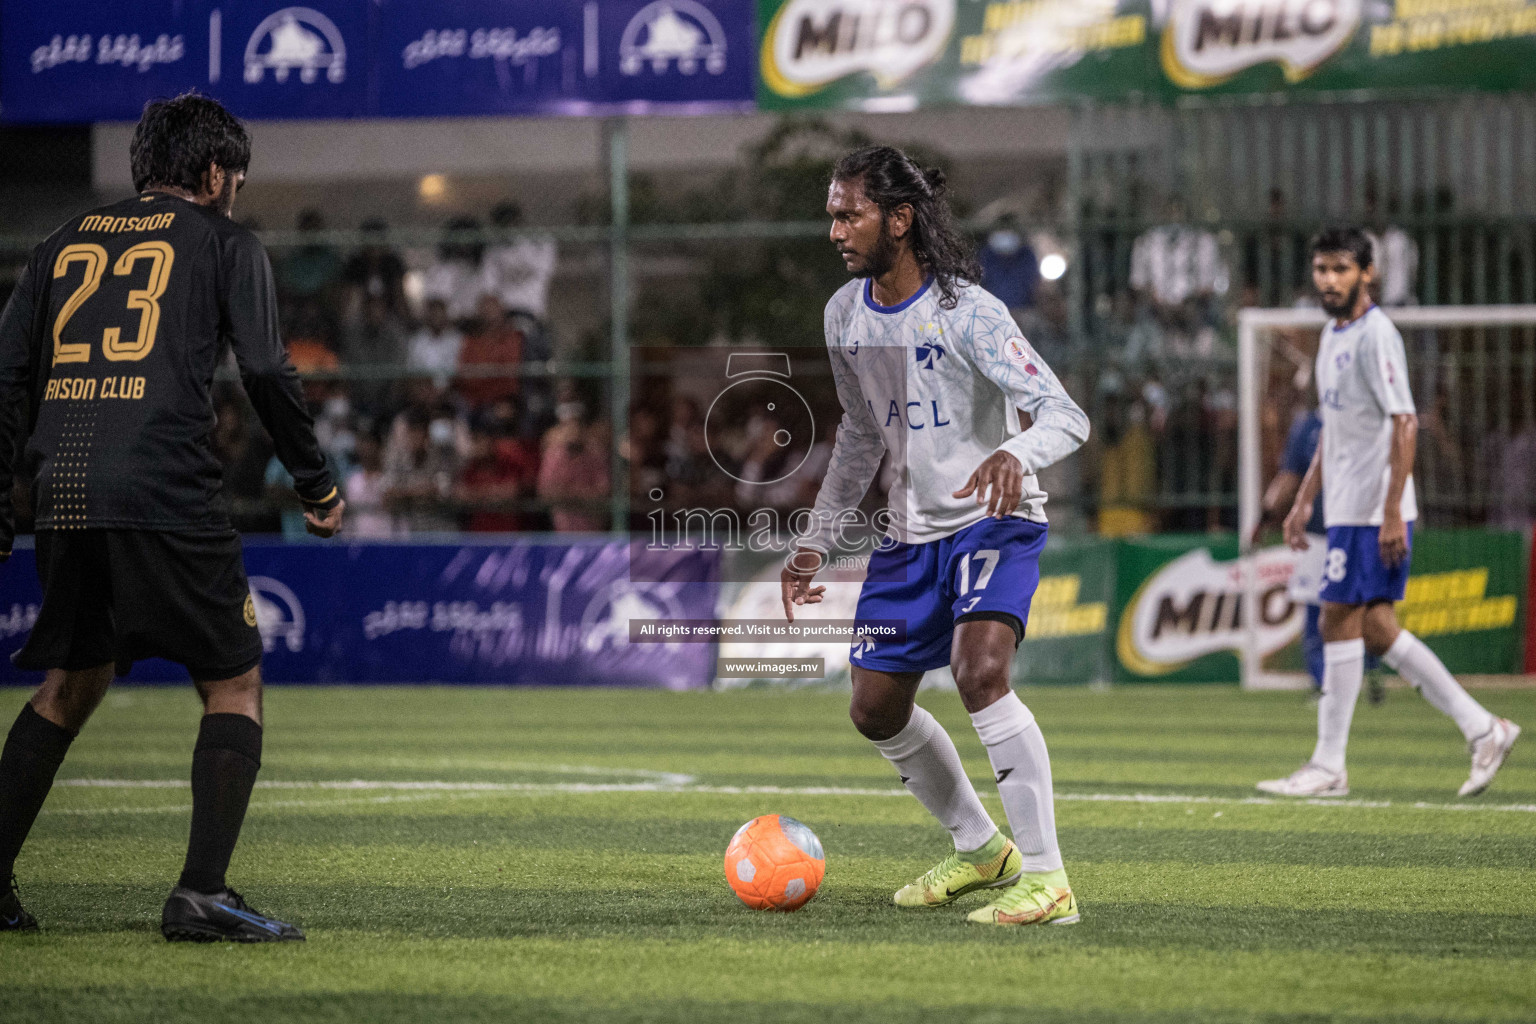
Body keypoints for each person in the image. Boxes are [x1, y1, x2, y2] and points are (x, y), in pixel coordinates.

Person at [0, 93, 344, 941]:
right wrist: (316, 484)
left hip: (64, 493)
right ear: (216, 173)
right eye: (237, 178)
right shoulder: (225, 242)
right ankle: (202, 892)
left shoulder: (57, 245)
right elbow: (265, 369)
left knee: (69, 686)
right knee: (233, 682)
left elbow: (7, 378)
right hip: (164, 486)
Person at [782, 147, 1089, 927]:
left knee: (980, 672)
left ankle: (1049, 880)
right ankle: (982, 848)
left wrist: (1012, 455)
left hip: (993, 520)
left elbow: (1065, 415)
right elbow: (859, 433)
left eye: (848, 213)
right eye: (832, 214)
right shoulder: (844, 314)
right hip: (908, 534)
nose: (835, 230)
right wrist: (817, 538)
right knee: (874, 709)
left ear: (900, 218)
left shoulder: (970, 312)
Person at [1260, 227, 1520, 798]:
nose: (1328, 280)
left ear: (1367, 273)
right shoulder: (1332, 336)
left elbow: (1406, 421)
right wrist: (1306, 499)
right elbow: (1334, 428)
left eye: (1340, 269)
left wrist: (1394, 512)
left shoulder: (1378, 335)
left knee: (1335, 618)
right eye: (1321, 269)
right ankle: (1483, 728)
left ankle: (1330, 765)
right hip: (1347, 505)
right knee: (1375, 628)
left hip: (1374, 510)